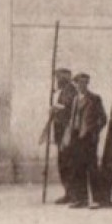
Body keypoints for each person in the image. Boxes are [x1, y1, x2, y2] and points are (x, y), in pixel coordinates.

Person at [66, 72, 107, 208]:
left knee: (92, 168)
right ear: (76, 84)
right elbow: (73, 119)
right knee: (78, 168)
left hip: (89, 139)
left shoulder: (95, 99)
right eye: (78, 83)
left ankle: (96, 199)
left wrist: (94, 131)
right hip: (76, 137)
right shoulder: (75, 100)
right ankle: (81, 199)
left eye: (84, 83)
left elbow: (103, 119)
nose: (81, 86)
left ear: (87, 84)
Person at [44, 68, 79, 203]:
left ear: (65, 78)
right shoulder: (63, 92)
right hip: (61, 134)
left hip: (67, 134)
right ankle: (69, 193)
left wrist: (57, 109)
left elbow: (70, 109)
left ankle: (73, 194)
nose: (57, 81)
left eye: (59, 78)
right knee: (63, 163)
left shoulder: (70, 91)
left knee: (68, 163)